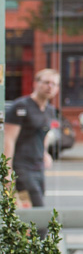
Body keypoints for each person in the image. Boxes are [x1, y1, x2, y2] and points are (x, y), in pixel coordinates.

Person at [4, 68, 60, 207]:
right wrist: (7, 170)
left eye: (54, 84)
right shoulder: (21, 106)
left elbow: (44, 133)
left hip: (38, 167)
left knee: (31, 218)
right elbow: (8, 139)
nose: (50, 87)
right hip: (22, 168)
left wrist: (45, 153)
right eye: (46, 82)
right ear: (36, 83)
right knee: (37, 214)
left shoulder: (50, 110)